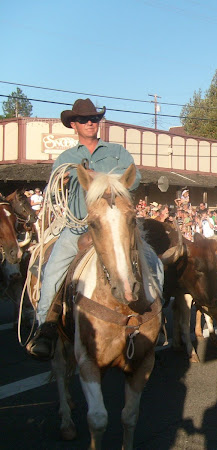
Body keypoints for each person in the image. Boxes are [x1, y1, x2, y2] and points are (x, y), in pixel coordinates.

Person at [26, 98, 163, 361]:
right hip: (77, 226)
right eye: (84, 119)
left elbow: (134, 180)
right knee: (52, 270)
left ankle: (156, 317)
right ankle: (46, 327)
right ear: (74, 125)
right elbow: (54, 194)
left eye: (94, 119)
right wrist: (65, 181)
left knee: (152, 264)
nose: (90, 122)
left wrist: (98, 177)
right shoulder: (66, 159)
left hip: (117, 227)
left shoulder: (117, 152)